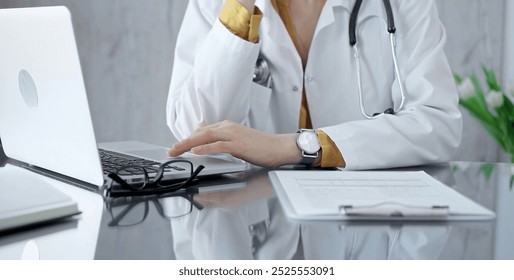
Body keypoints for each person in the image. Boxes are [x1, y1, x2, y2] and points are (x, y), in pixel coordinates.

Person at [166, 0, 462, 170]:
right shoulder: (219, 3)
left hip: (365, 227)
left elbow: (437, 123)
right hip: (253, 225)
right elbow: (196, 134)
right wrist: (240, 9)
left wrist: (295, 147)